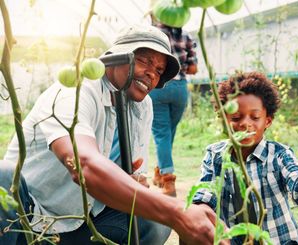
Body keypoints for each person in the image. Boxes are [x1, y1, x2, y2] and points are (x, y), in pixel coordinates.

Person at [0, 24, 219, 245]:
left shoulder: (142, 107)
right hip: (27, 219)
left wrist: (133, 181)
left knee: (153, 221)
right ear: (115, 57)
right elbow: (82, 164)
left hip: (83, 222)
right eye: (144, 60)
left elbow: (132, 174)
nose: (152, 73)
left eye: (159, 70)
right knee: (2, 175)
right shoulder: (75, 91)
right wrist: (177, 212)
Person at [192, 71, 298, 244]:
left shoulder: (279, 155)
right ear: (223, 119)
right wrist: (205, 220)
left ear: (267, 121)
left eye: (255, 117)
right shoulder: (215, 155)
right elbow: (204, 196)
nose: (245, 123)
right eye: (236, 117)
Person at [149, 19, 198, 197]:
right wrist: (180, 64)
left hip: (158, 86)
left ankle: (168, 180)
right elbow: (193, 68)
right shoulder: (186, 35)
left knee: (162, 134)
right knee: (167, 133)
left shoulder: (151, 32)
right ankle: (160, 172)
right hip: (179, 90)